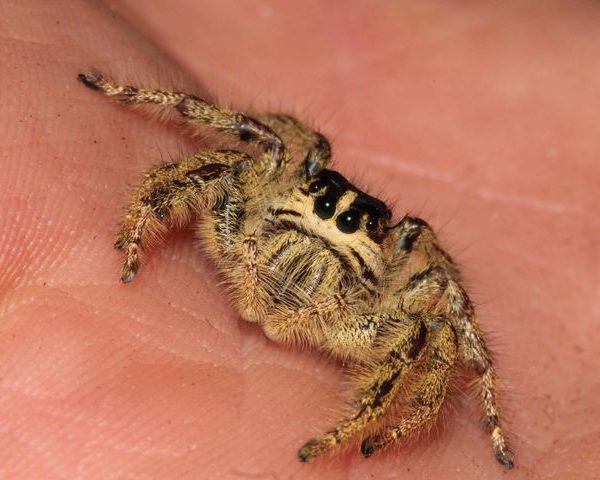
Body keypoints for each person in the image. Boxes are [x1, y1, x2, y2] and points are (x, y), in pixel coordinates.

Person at [1, 1, 598, 478]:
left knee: (429, 331)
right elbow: (222, 140)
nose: (339, 214)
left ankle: (362, 425)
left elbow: (450, 318)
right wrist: (133, 222)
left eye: (357, 220)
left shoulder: (376, 309)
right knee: (241, 156)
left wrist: (475, 408)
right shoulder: (252, 204)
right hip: (257, 246)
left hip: (344, 314)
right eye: (329, 199)